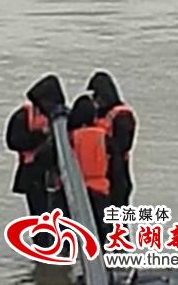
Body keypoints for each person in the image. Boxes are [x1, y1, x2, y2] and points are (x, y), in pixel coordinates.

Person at [5, 75, 65, 221]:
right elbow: (13, 141)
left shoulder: (60, 116)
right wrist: (41, 135)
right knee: (39, 214)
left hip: (55, 175)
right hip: (32, 173)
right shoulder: (23, 115)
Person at [87, 71, 136, 207]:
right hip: (102, 173)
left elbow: (123, 145)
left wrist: (103, 142)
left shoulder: (122, 116)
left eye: (97, 96)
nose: (95, 101)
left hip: (117, 172)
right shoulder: (98, 115)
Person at [68, 94, 110, 246]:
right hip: (101, 186)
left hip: (79, 188)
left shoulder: (73, 136)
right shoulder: (102, 135)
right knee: (102, 229)